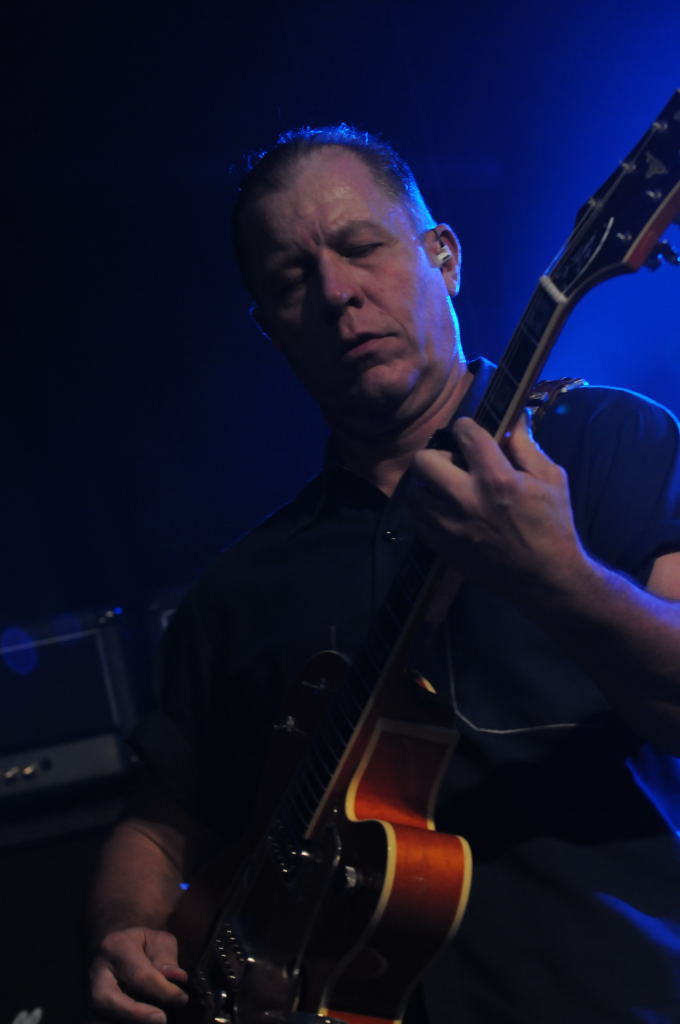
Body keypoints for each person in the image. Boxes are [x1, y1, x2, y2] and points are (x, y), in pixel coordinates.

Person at [87, 125, 680, 1024]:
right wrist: (125, 925)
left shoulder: (606, 442)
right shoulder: (241, 588)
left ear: (444, 257)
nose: (336, 292)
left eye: (360, 246)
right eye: (292, 279)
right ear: (270, 327)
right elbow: (160, 820)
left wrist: (558, 576)